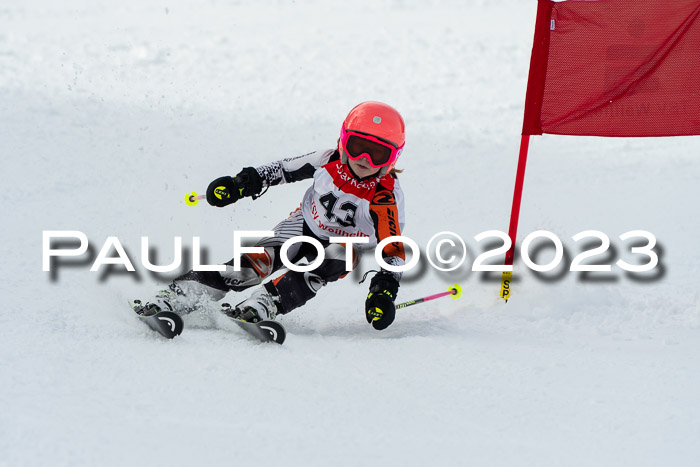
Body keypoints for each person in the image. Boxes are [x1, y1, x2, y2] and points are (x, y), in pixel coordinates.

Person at [136, 101, 407, 330]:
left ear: (392, 159)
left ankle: (267, 302)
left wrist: (384, 289)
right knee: (256, 263)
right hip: (305, 225)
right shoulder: (328, 160)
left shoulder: (385, 196)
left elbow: (393, 249)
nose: (364, 160)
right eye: (357, 146)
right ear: (342, 140)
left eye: (378, 154)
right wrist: (239, 184)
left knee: (338, 255)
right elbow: (279, 170)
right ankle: (179, 296)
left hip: (347, 244)